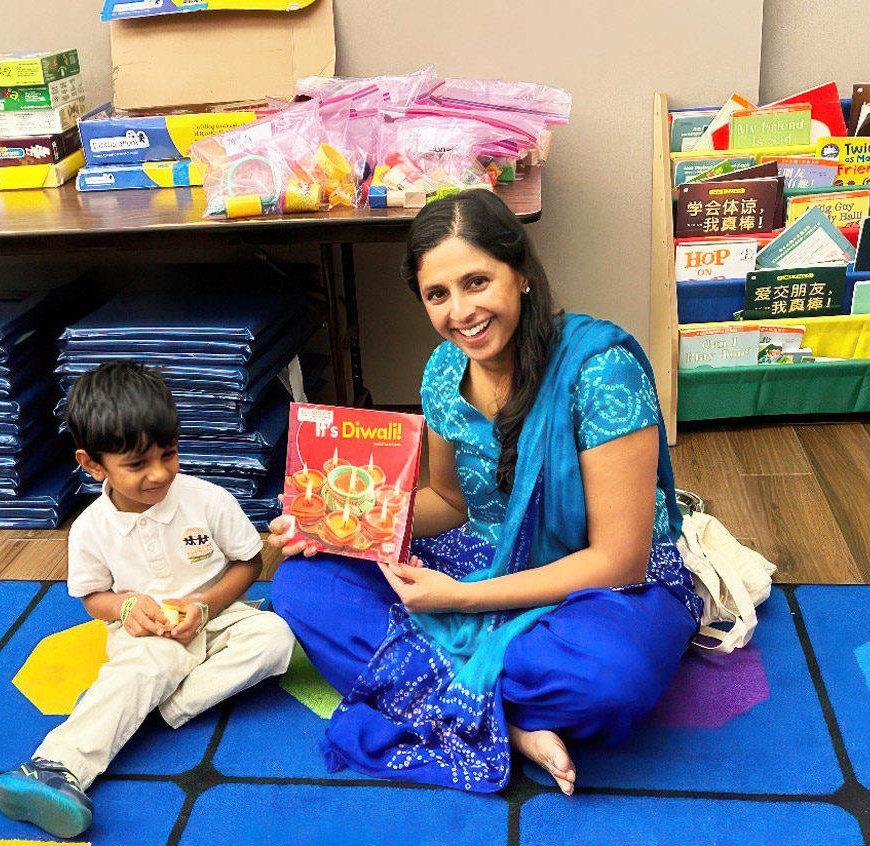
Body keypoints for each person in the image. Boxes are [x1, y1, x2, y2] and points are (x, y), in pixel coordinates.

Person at [269, 189, 701, 795]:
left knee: (612, 675)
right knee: (302, 585)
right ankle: (514, 724)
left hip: (606, 587)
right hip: (482, 555)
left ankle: (442, 698)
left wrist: (457, 601)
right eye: (437, 295)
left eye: (476, 282)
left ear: (520, 273)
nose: (461, 312)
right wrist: (337, 520)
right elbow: (447, 502)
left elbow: (618, 560)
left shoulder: (601, 370)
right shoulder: (445, 372)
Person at [0, 362, 295, 837]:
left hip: (221, 616)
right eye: (136, 465)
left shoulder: (208, 500)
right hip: (146, 633)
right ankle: (53, 765)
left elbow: (249, 564)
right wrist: (128, 607)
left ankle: (149, 709)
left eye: (168, 454)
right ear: (93, 464)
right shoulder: (91, 527)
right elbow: (94, 598)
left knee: (276, 637)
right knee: (147, 666)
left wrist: (206, 608)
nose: (159, 474)